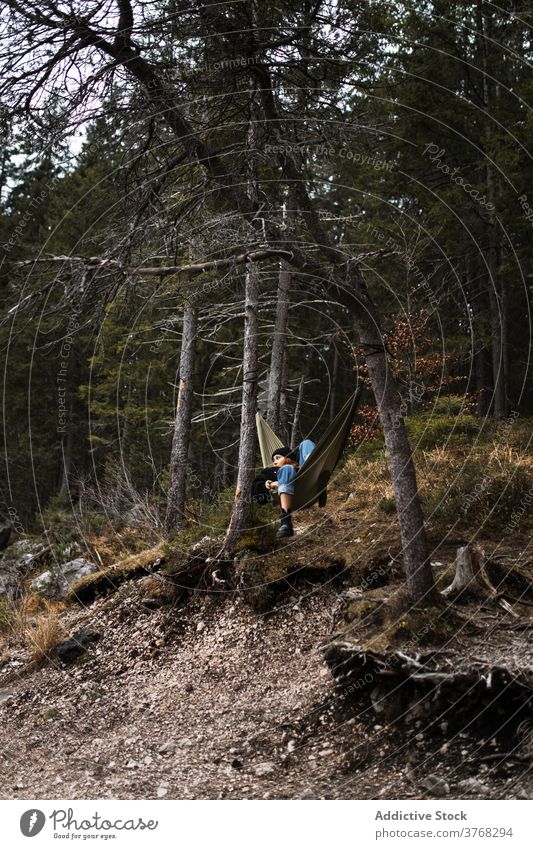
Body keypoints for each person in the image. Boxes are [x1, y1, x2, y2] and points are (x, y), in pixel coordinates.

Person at [266, 439, 316, 538]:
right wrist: (268, 483)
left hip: (307, 478)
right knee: (287, 468)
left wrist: (278, 483)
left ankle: (316, 470)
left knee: (306, 443)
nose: (275, 462)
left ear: (287, 457)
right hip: (295, 495)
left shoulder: (299, 467)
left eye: (278, 458)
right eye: (273, 460)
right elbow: (257, 484)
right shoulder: (273, 472)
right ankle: (286, 522)